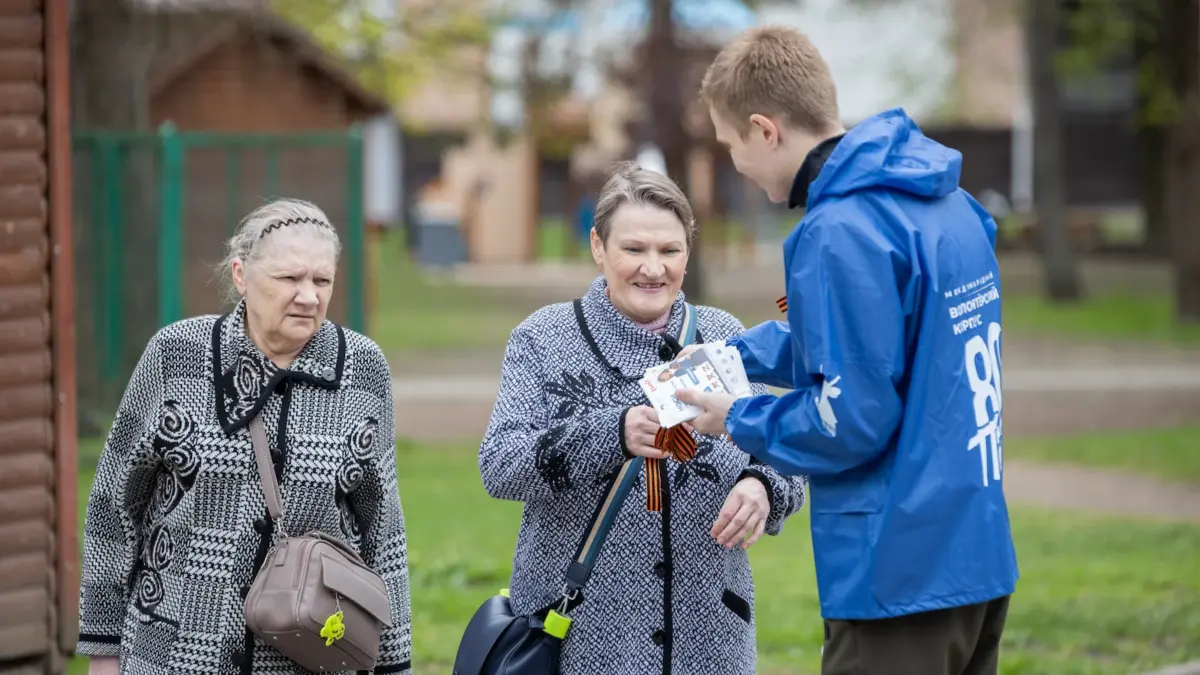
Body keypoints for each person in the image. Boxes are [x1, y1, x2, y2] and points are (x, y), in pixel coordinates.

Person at [676, 25, 1019, 675]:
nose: (736, 167)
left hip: (897, 572)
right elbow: (880, 345)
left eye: (730, 147)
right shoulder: (946, 203)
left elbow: (851, 417)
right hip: (975, 555)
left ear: (765, 129)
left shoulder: (837, 230)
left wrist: (734, 417)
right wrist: (735, 354)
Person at [478, 162, 807, 675]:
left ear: (687, 253)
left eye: (669, 251)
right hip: (579, 640)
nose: (653, 269)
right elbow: (500, 466)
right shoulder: (542, 338)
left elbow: (787, 448)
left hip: (710, 637)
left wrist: (763, 485)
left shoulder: (723, 336)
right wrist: (611, 433)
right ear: (598, 247)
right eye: (634, 249)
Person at [77, 199, 413, 675]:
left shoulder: (362, 371)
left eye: (322, 280)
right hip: (173, 651)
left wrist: (393, 663)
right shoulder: (176, 356)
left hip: (310, 654)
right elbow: (114, 507)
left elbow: (384, 530)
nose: (308, 296)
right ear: (241, 275)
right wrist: (104, 648)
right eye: (288, 279)